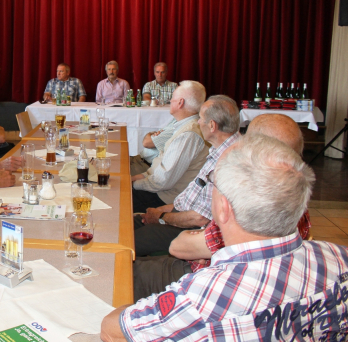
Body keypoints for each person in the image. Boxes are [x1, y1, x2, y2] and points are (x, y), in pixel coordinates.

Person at [100, 134, 348, 342]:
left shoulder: (205, 297)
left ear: (223, 208)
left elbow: (112, 330)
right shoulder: (340, 258)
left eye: (212, 183)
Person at [132, 113, 310, 301]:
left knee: (127, 270)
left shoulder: (242, 201)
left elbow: (181, 245)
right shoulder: (298, 202)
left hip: (211, 285)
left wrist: (197, 242)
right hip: (248, 285)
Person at [132, 95, 240, 258]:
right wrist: (158, 212)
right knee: (126, 225)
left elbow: (199, 218)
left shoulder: (229, 159)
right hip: (177, 215)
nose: (197, 122)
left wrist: (161, 217)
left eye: (201, 119)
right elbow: (187, 199)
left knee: (128, 241)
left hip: (190, 231)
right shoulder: (218, 150)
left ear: (212, 125)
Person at [131, 81, 209, 213]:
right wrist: (131, 180)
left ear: (180, 103)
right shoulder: (184, 126)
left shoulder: (188, 135)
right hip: (159, 189)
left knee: (111, 198)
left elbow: (161, 182)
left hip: (164, 198)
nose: (170, 101)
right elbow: (156, 171)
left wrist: (132, 185)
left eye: (172, 98)